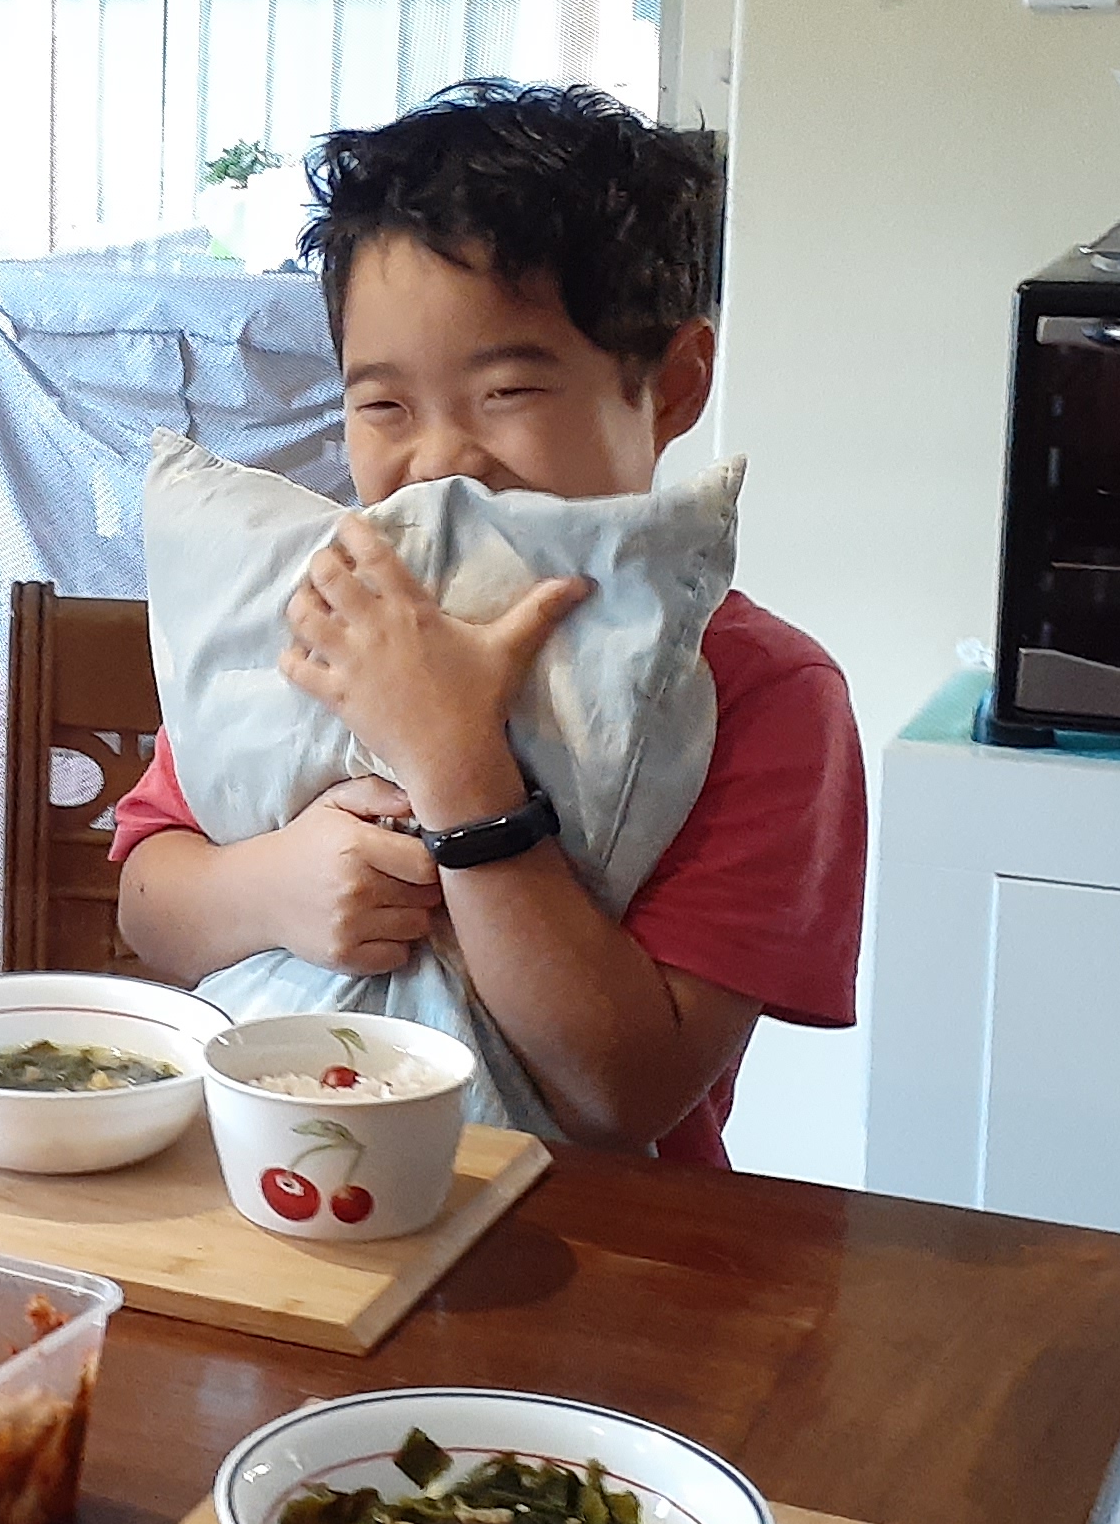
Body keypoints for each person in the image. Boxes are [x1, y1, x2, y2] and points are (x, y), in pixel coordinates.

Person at [108, 83, 865, 1159]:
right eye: (383, 404)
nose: (440, 459)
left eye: (507, 392)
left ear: (674, 385)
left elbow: (624, 1094)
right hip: (262, 1192)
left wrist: (456, 764)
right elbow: (149, 901)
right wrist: (270, 888)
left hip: (576, 1231)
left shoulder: (760, 691)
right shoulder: (324, 616)